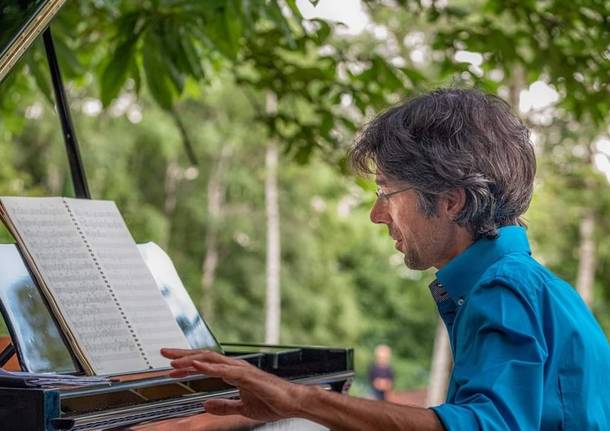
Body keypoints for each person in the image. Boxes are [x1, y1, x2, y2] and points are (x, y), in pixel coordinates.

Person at [162, 88, 610, 430]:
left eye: (386, 193)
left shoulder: (504, 287)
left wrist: (297, 400)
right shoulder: (524, 283)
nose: (378, 215)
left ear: (451, 201)